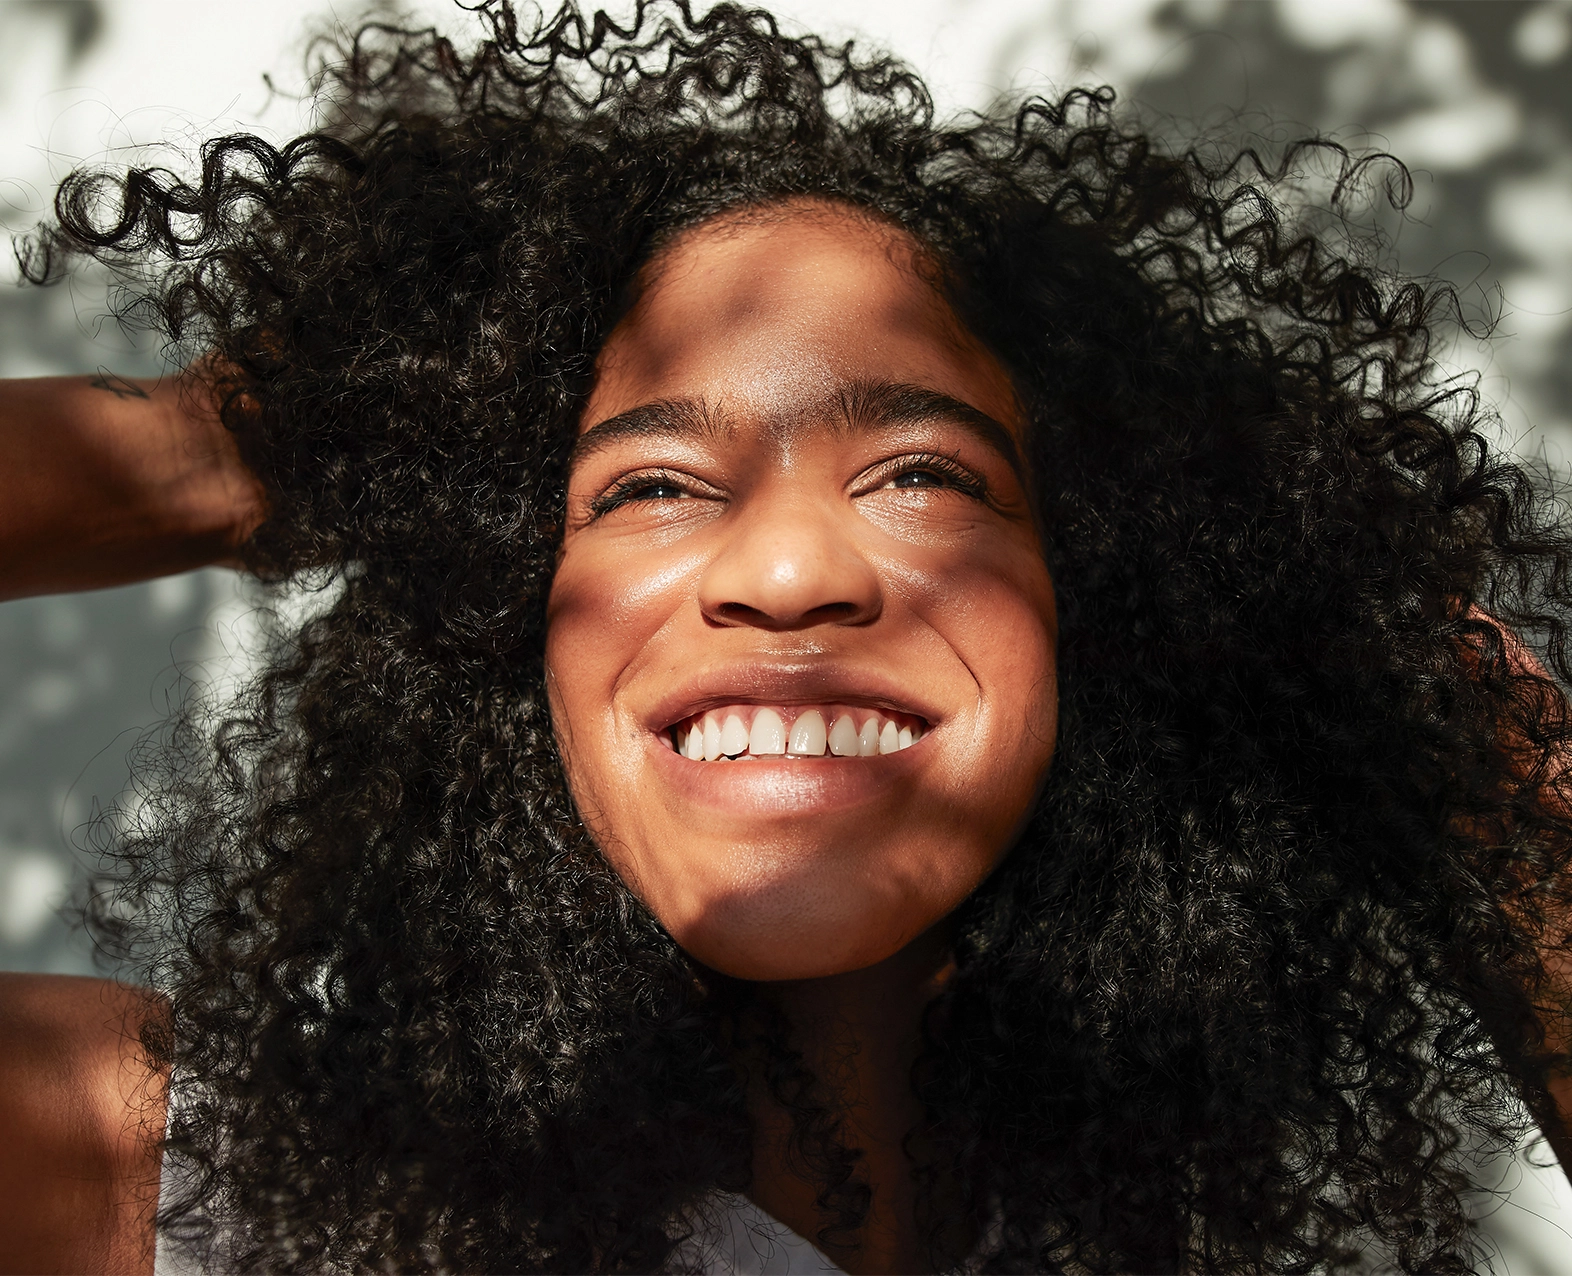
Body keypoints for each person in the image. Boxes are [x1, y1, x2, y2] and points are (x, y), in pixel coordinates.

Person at [2, 2, 1571, 1271]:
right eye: (657, 485)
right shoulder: (173, 1183)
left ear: (1111, 614)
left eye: (922, 473)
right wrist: (202, 456)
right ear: (504, 640)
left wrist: (1428, 718)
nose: (792, 567)